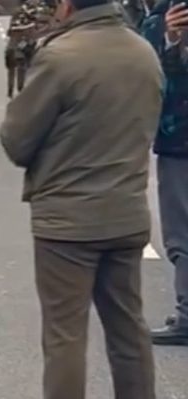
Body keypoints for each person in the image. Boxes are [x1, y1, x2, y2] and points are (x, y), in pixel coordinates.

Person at [0, 0, 163, 399]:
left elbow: (16, 140)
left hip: (66, 222)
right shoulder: (143, 51)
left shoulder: (61, 56)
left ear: (68, 5)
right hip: (126, 213)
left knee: (65, 338)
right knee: (129, 331)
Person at [141, 0, 188, 345]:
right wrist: (170, 39)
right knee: (180, 231)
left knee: (182, 233)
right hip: (177, 138)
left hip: (179, 142)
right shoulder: (159, 18)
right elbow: (147, 74)